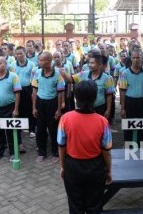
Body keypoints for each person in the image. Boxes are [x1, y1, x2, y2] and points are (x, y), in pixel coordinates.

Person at [57, 80, 112, 214]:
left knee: (75, 204)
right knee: (95, 204)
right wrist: (108, 170)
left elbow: (61, 146)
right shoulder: (102, 121)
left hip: (73, 167)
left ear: (76, 97)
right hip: (96, 168)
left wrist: (63, 167)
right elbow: (106, 151)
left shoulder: (65, 119)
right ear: (94, 98)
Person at [0, 56, 23, 162]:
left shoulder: (13, 76)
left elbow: (17, 93)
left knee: (11, 132)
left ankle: (12, 153)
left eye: (0, 64)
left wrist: (16, 109)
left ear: (5, 64)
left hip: (10, 108)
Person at [31, 52, 65, 162]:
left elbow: (60, 93)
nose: (39, 62)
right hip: (40, 103)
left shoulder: (58, 75)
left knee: (53, 129)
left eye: (42, 60)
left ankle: (55, 153)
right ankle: (42, 152)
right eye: (39, 59)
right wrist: (34, 107)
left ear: (50, 61)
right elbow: (34, 91)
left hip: (53, 103)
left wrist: (59, 110)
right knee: (40, 129)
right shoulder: (37, 73)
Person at [118, 49, 143, 143]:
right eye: (134, 57)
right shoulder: (124, 73)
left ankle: (141, 147)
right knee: (128, 126)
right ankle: (129, 147)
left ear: (142, 58)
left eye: (138, 57)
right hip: (130, 102)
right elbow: (122, 92)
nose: (136, 60)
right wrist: (122, 108)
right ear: (131, 58)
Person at [14, 46, 37, 138]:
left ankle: (32, 129)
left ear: (25, 53)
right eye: (17, 54)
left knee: (30, 108)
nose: (19, 55)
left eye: (21, 53)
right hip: (16, 90)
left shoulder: (31, 65)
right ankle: (21, 127)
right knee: (18, 108)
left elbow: (34, 78)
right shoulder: (12, 65)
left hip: (29, 89)